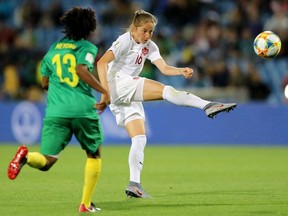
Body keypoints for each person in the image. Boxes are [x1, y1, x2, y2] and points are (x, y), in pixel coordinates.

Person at [97, 9, 237, 198]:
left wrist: (180, 71)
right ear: (134, 28)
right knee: (165, 91)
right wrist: (105, 93)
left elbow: (163, 67)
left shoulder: (150, 46)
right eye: (144, 31)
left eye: (151, 31)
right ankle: (207, 105)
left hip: (124, 93)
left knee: (139, 139)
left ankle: (134, 184)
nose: (147, 35)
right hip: (118, 83)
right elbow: (101, 63)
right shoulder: (125, 40)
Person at [7, 7, 109, 213]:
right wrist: (104, 91)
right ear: (89, 27)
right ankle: (85, 204)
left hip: (55, 111)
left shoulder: (53, 48)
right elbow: (81, 69)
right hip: (82, 109)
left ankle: (25, 157)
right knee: (93, 154)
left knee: (46, 161)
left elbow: (44, 83)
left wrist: (59, 88)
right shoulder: (87, 47)